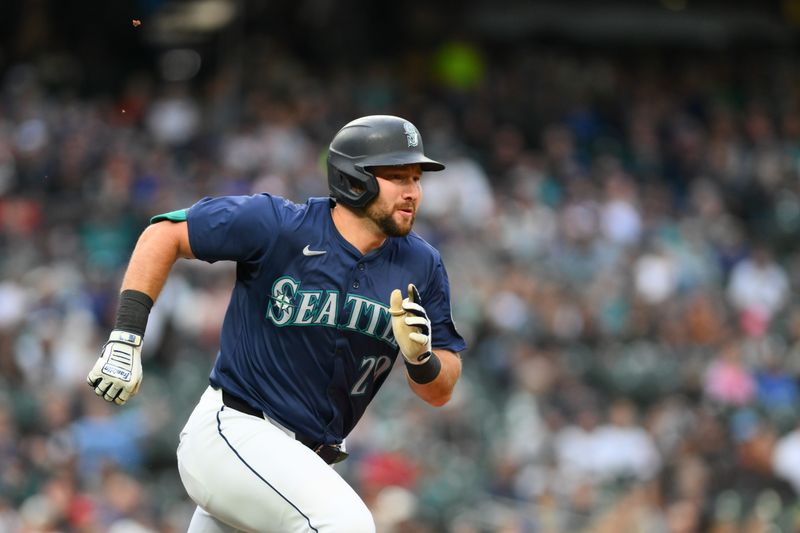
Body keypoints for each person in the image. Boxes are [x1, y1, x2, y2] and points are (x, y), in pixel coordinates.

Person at [86, 115, 466, 532]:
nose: (413, 192)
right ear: (355, 180)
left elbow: (439, 392)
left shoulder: (422, 264)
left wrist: (422, 359)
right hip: (234, 431)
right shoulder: (280, 225)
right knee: (344, 523)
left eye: (416, 178)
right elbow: (164, 234)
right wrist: (126, 335)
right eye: (398, 177)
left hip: (297, 465)